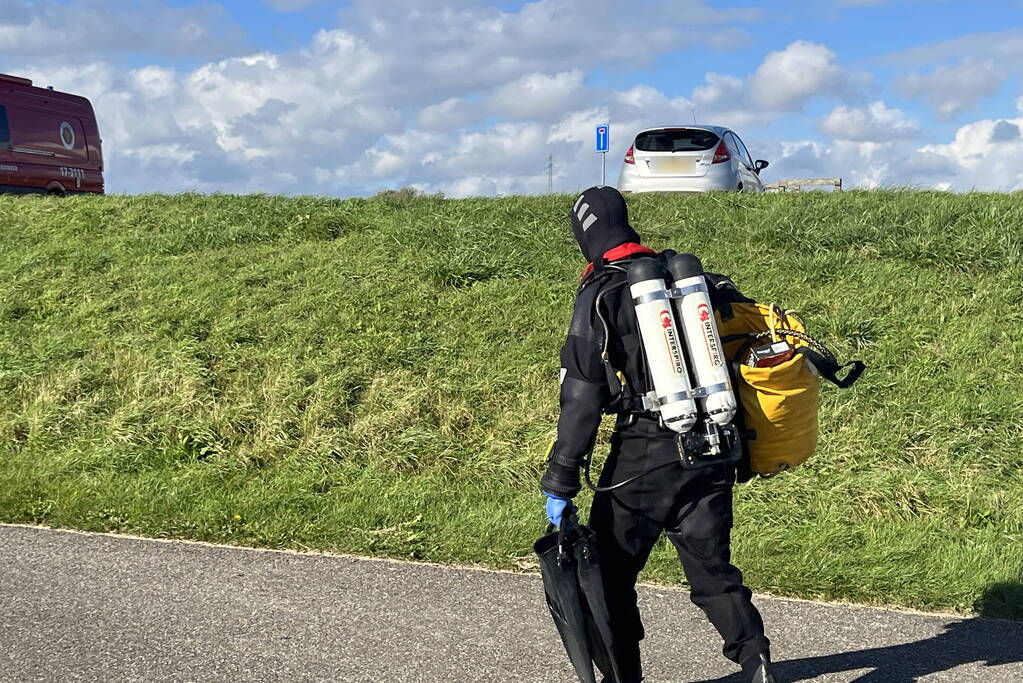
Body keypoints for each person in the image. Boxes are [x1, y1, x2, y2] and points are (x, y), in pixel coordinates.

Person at [540, 186, 776, 683]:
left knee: (609, 571)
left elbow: (582, 396)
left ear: (585, 235)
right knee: (713, 571)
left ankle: (621, 677)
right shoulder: (689, 279)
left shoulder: (602, 291)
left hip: (648, 451)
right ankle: (756, 662)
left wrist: (561, 479)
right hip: (715, 443)